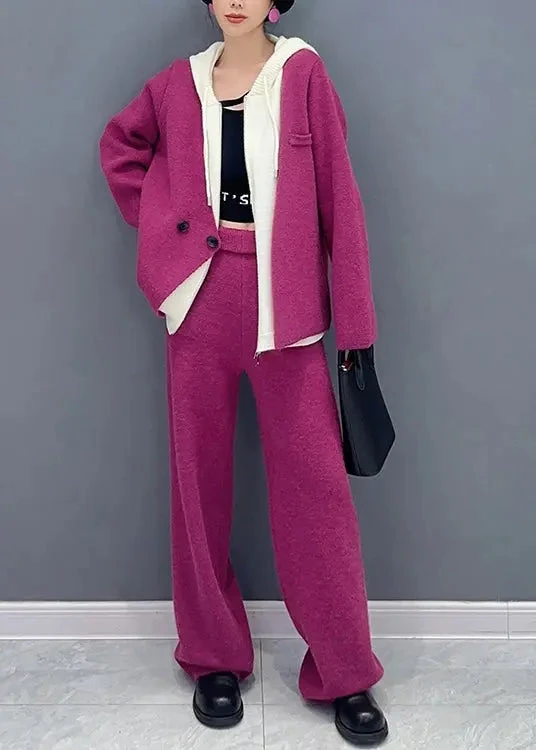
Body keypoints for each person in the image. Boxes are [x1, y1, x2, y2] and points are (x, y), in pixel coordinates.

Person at [99, 0, 388, 745]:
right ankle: (213, 657)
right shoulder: (178, 82)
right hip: (200, 297)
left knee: (316, 493)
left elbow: (341, 201)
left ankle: (344, 671)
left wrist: (356, 330)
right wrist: (165, 234)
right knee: (197, 486)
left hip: (286, 308)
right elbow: (121, 148)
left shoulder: (303, 72)